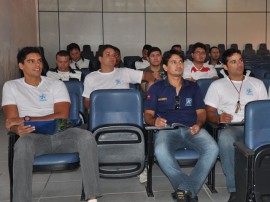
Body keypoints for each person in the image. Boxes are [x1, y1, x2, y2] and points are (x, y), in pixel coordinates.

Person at [2, 47, 101, 202]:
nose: (37, 65)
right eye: (31, 61)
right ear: (21, 65)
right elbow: (12, 120)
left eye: (39, 60)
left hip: (61, 133)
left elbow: (62, 116)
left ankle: (92, 197)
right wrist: (17, 126)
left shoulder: (55, 84)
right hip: (32, 136)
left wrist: (25, 119)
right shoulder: (11, 86)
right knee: (21, 145)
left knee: (86, 137)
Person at [144, 49, 219, 202]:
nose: (178, 65)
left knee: (213, 148)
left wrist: (199, 124)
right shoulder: (157, 88)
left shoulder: (193, 87)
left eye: (180, 62)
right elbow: (148, 115)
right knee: (160, 150)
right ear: (165, 67)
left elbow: (201, 112)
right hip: (167, 130)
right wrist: (154, 122)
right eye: (173, 62)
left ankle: (184, 191)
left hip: (192, 128)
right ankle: (188, 189)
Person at [204, 48, 268, 202]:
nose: (239, 64)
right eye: (233, 61)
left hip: (255, 127)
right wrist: (219, 118)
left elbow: (265, 110)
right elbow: (209, 112)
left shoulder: (257, 83)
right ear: (225, 67)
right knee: (225, 139)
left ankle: (264, 185)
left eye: (240, 60)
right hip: (232, 127)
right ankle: (235, 189)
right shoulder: (217, 85)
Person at [83, 44, 155, 111]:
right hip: (102, 113)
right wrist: (92, 109)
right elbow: (87, 101)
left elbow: (147, 75)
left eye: (114, 55)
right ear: (100, 58)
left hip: (124, 112)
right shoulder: (90, 78)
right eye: (108, 55)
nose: (112, 57)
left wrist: (151, 83)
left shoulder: (124, 72)